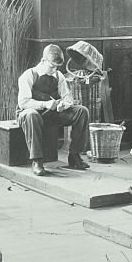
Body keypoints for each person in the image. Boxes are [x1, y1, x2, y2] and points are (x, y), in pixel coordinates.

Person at [16, 45, 91, 175]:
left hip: (51, 113)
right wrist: (45, 104)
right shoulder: (28, 75)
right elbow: (23, 103)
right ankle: (37, 161)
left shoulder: (58, 76)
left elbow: (68, 99)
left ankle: (74, 156)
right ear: (43, 60)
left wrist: (63, 105)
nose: (54, 70)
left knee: (82, 111)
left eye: (57, 67)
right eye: (52, 66)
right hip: (29, 113)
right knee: (32, 115)